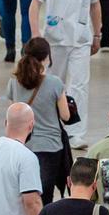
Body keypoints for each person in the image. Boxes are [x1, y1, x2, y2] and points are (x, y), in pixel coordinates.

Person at [27, 0, 105, 146]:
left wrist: (98, 33)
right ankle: (53, 126)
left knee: (80, 85)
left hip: (81, 38)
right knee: (54, 83)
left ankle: (76, 131)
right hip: (55, 40)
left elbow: (95, 4)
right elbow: (34, 4)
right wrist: (35, 34)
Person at [12, 38, 77, 200]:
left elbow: (14, 111)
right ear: (46, 57)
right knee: (44, 194)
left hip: (23, 143)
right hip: (50, 145)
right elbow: (65, 116)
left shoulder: (14, 81)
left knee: (25, 191)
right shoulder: (55, 83)